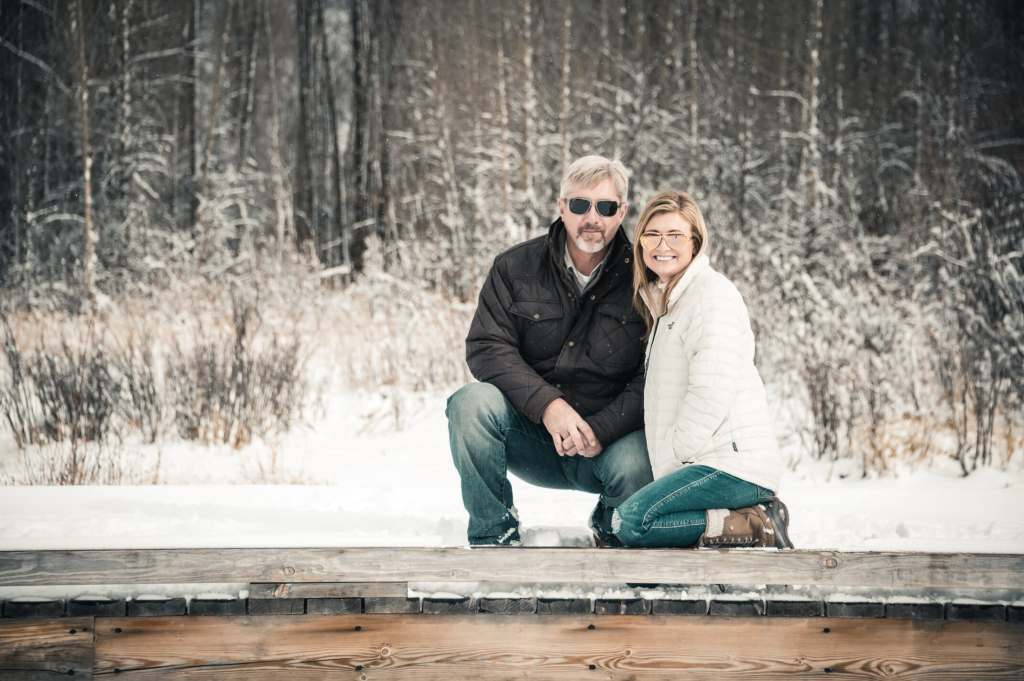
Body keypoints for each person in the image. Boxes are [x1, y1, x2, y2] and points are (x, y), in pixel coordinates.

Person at [447, 155, 652, 546]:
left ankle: (613, 524)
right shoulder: (515, 267)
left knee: (640, 459)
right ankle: (494, 534)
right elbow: (487, 346)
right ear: (561, 206)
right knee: (469, 404)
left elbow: (656, 373)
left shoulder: (646, 278)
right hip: (532, 436)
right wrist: (548, 406)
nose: (591, 218)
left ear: (622, 212)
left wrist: (602, 428)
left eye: (605, 207)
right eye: (580, 204)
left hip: (609, 446)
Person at [611, 191, 793, 549]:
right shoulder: (667, 303)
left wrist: (678, 453)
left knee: (633, 522)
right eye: (652, 234)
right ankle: (734, 523)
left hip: (733, 464)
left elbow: (711, 389)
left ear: (695, 243)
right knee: (616, 522)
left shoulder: (711, 296)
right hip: (704, 461)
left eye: (675, 235)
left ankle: (756, 523)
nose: (662, 245)